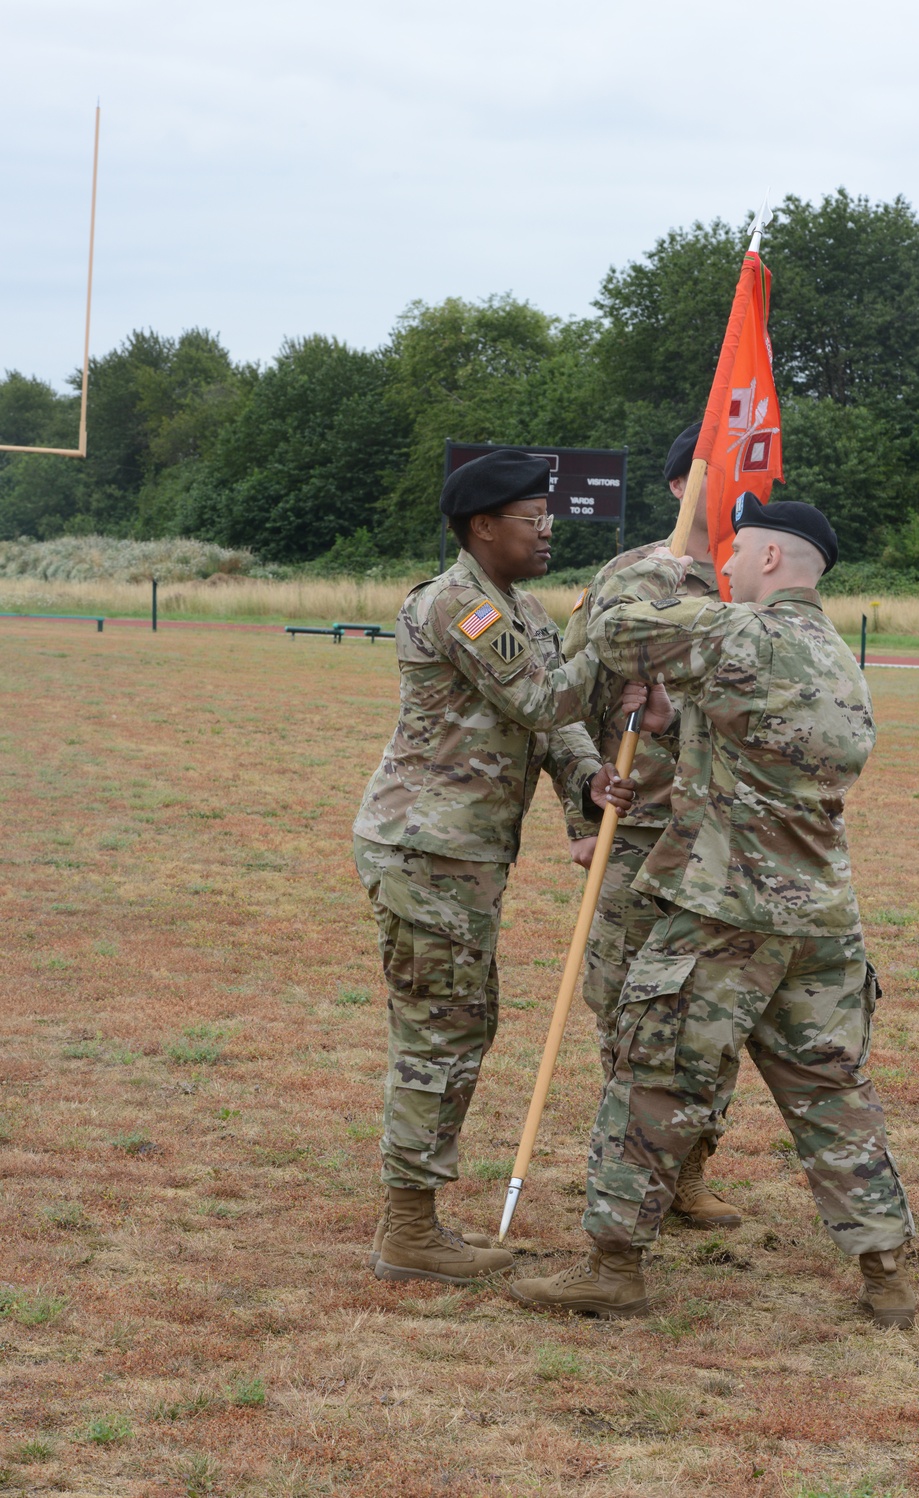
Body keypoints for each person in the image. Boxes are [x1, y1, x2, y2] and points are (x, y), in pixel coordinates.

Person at [511, 495, 917, 1327]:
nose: (720, 567)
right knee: (833, 1094)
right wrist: (676, 724)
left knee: (653, 1078)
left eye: (735, 555)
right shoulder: (835, 656)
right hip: (823, 919)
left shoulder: (747, 636)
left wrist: (658, 564)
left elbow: (617, 631)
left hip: (728, 911)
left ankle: (613, 1267)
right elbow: (766, 748)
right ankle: (886, 1276)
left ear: (771, 561)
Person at [354, 448, 636, 1286]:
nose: (548, 531)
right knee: (440, 1031)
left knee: (464, 1025)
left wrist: (587, 793)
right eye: (532, 519)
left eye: (548, 517)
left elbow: (558, 729)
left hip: (464, 850)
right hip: (425, 848)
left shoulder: (519, 606)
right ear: (483, 527)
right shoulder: (456, 607)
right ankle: (408, 1230)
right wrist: (616, 636)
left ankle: (418, 1219)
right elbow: (547, 697)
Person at [560, 422, 741, 1230]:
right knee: (626, 1005)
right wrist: (581, 814)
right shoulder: (632, 579)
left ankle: (691, 1171)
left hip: (727, 839)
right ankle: (630, 1176)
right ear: (680, 488)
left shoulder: (759, 581)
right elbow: (571, 703)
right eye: (716, 475)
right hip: (638, 832)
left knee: (710, 1013)